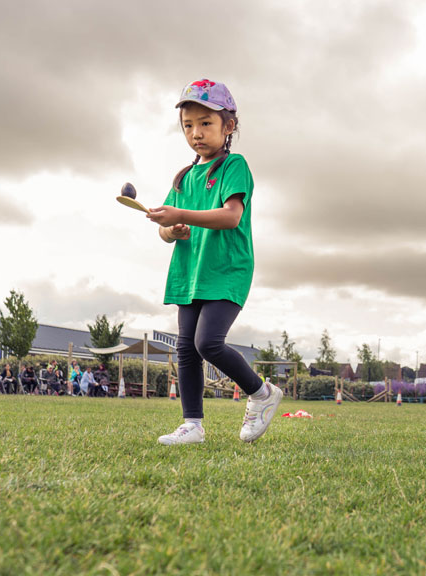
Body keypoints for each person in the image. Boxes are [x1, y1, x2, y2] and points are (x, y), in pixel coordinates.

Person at [147, 79, 282, 446]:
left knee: (209, 342)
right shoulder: (183, 177)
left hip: (226, 270)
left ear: (229, 126)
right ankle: (192, 425)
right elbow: (165, 230)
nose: (196, 133)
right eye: (188, 125)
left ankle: (262, 393)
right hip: (190, 273)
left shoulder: (234, 166)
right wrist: (171, 230)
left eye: (206, 123)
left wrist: (183, 215)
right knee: (187, 348)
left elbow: (230, 216)